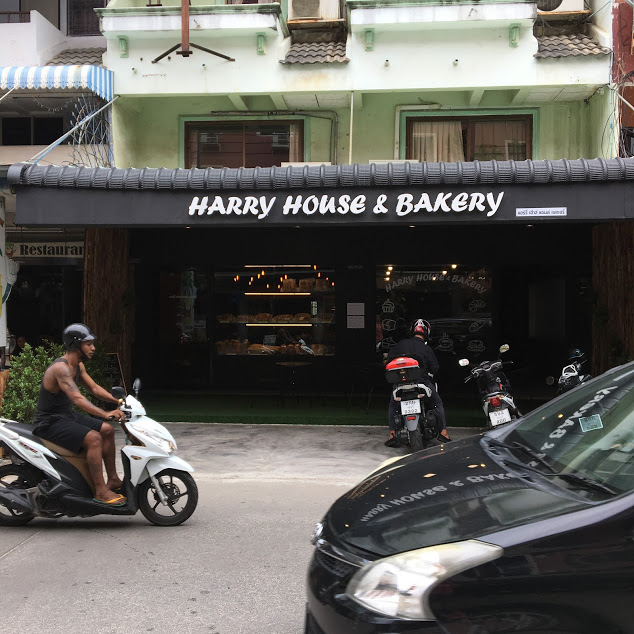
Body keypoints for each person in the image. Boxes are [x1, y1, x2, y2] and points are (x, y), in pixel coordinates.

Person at [32, 323, 127, 506]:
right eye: (88, 344)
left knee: (107, 430)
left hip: (66, 415)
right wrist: (105, 413)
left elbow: (94, 388)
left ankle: (113, 479)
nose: (93, 348)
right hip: (49, 422)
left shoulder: (78, 365)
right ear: (75, 345)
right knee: (94, 439)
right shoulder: (61, 368)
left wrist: (118, 401)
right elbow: (77, 398)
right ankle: (100, 491)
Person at [385, 318, 451, 446]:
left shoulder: (399, 345)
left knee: (393, 405)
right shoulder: (426, 348)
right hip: (422, 382)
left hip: (400, 384)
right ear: (427, 332)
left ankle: (392, 434)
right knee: (437, 403)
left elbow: (389, 362)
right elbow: (435, 368)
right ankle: (443, 433)